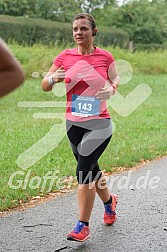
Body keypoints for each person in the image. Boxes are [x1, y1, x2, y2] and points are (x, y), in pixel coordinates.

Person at [42, 13, 120, 242]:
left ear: (93, 31)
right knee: (91, 168)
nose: (78, 32)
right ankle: (110, 202)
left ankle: (82, 225)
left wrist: (112, 89)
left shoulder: (105, 56)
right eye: (75, 29)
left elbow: (115, 79)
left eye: (83, 29)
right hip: (73, 124)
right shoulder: (65, 56)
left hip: (100, 124)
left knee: (83, 170)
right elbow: (44, 85)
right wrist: (54, 78)